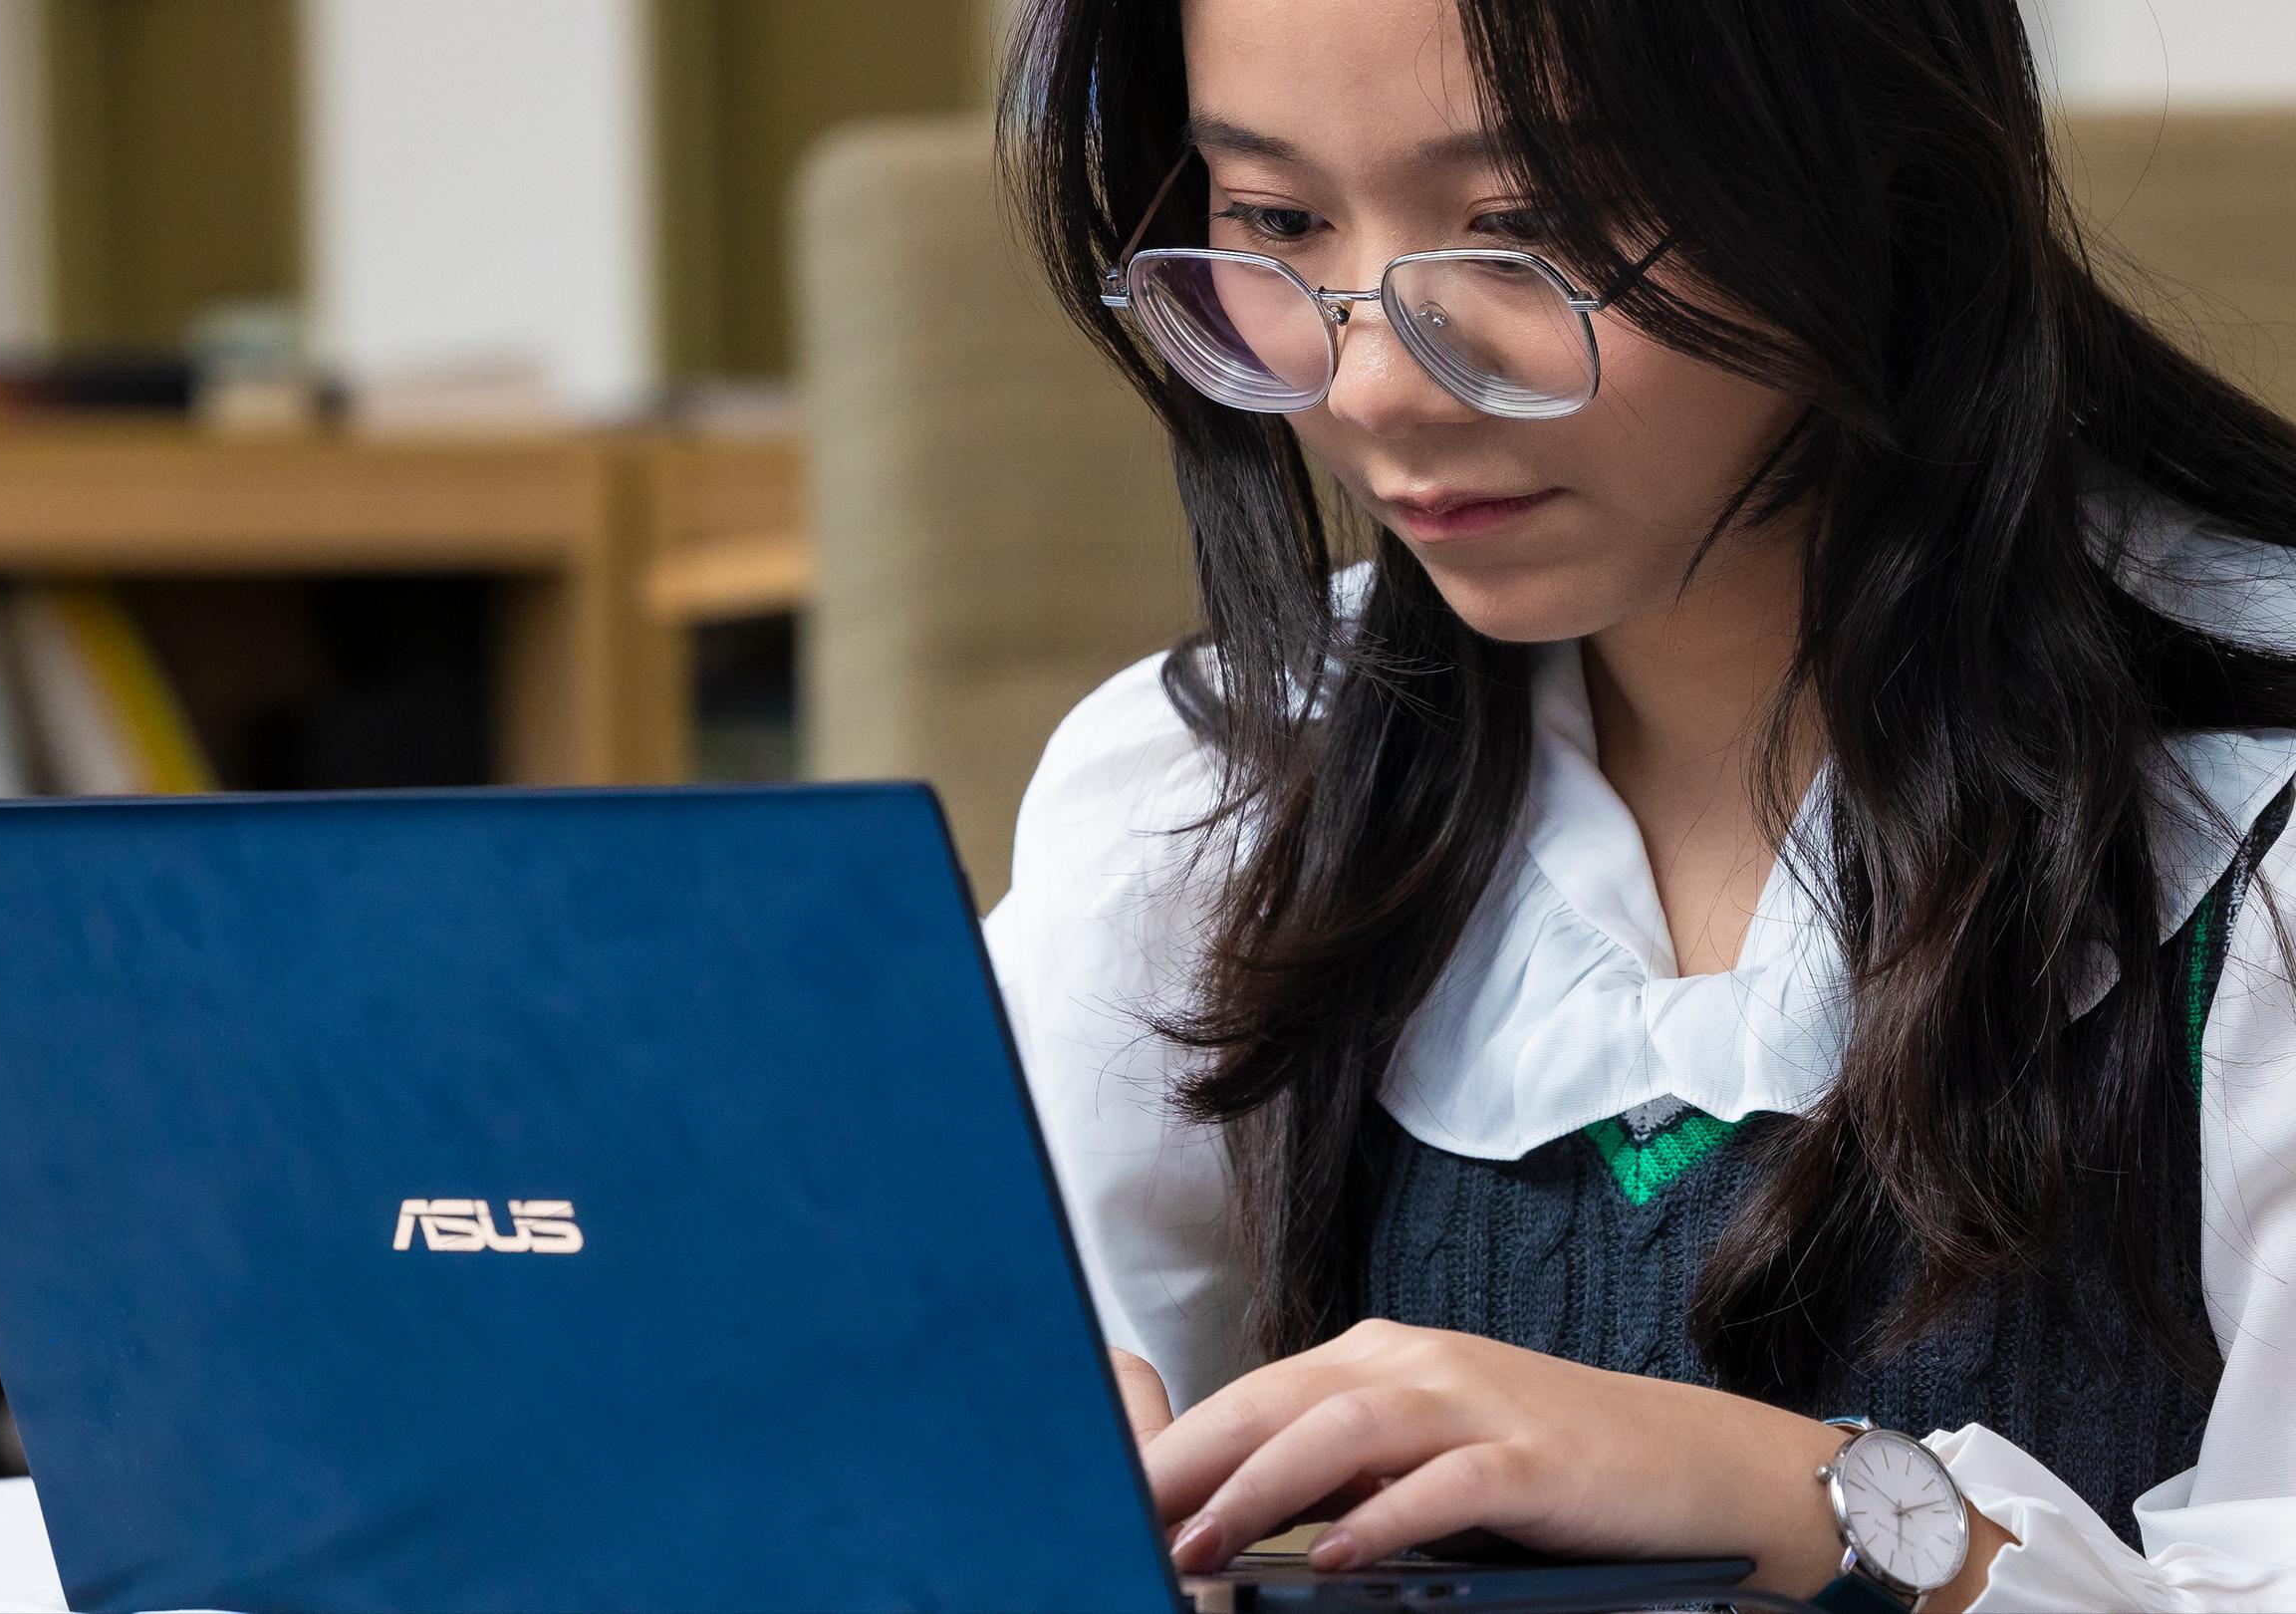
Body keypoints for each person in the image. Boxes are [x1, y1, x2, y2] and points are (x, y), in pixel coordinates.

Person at [983, 0, 2296, 1608]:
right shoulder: (1213, 794)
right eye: (1272, 219)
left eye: (1528, 223)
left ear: (1877, 175)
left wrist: (1830, 1514)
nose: (1380, 383)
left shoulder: (2254, 827)